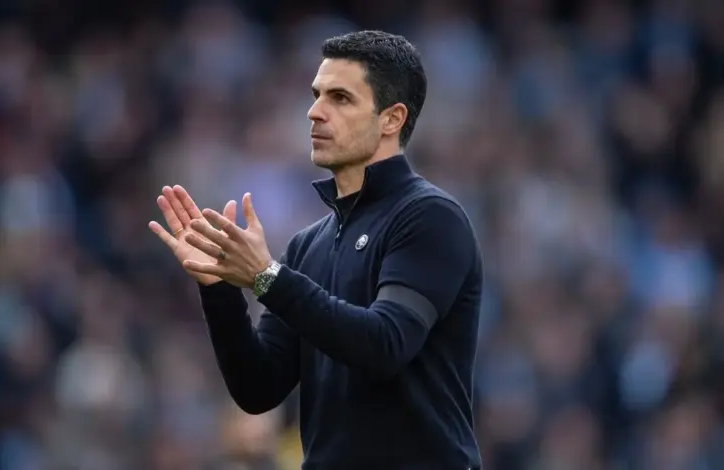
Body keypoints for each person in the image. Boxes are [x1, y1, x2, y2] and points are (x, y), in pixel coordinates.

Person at [150, 30, 483, 470]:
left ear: (391, 119)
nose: (314, 111)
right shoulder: (309, 245)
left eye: (340, 98)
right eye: (316, 95)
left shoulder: (430, 217)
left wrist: (266, 277)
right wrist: (219, 288)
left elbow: (386, 344)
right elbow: (258, 388)